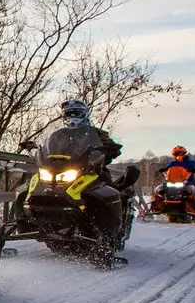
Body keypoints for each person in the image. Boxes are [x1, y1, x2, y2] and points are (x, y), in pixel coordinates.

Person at [45, 99, 133, 241]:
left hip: (92, 171)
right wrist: (38, 151)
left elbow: (110, 147)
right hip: (63, 171)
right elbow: (48, 149)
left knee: (107, 191)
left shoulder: (97, 133)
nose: (73, 116)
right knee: (37, 188)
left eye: (76, 113)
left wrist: (110, 148)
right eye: (69, 113)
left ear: (84, 115)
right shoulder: (59, 135)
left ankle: (110, 234)